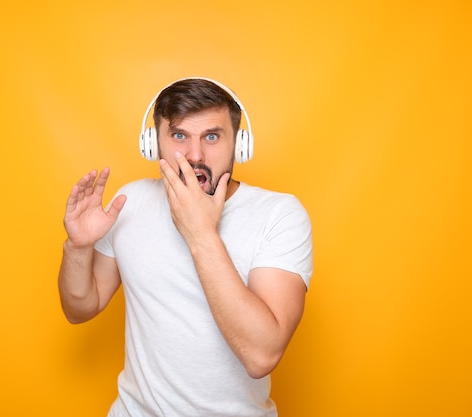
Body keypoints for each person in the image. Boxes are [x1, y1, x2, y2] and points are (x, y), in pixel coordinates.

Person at [58, 77, 313, 417]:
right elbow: (80, 309)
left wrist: (200, 233)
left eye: (212, 136)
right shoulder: (131, 202)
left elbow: (261, 355)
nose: (195, 155)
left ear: (239, 144)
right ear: (153, 144)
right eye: (179, 135)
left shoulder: (279, 215)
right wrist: (78, 247)